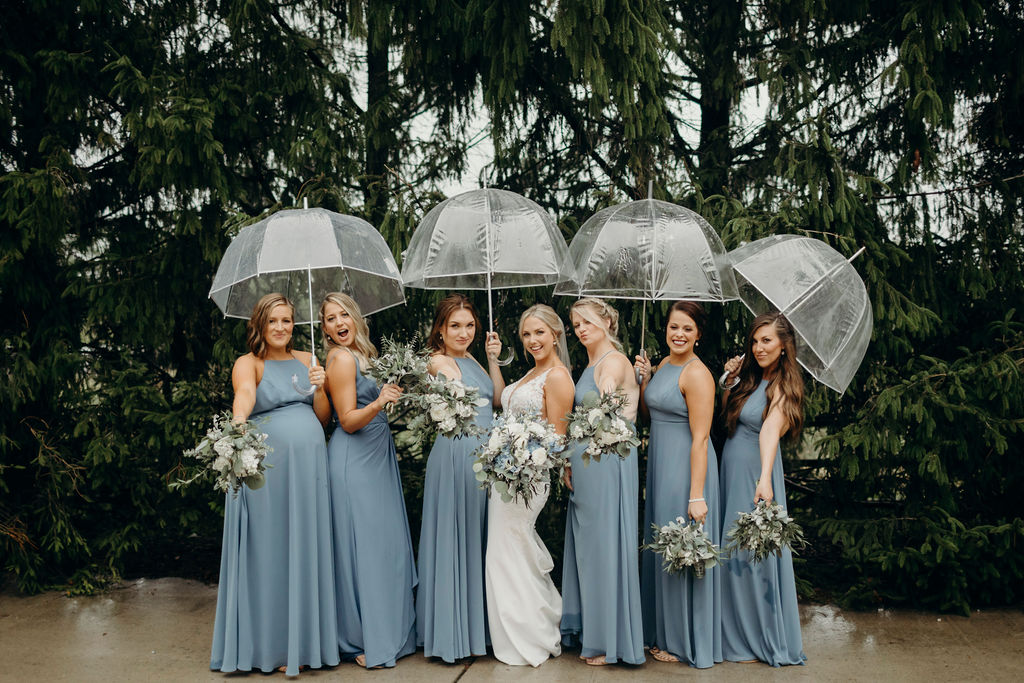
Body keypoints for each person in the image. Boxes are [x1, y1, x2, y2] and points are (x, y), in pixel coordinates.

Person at [210, 292, 340, 676]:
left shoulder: (308, 360)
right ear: (260, 326)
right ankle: (270, 645)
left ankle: (304, 643)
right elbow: (245, 396)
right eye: (273, 322)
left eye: (287, 321)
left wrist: (320, 387)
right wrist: (236, 428)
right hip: (271, 472)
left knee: (305, 549)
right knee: (271, 552)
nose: (281, 328)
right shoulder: (249, 363)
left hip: (309, 470)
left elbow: (323, 418)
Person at [320, 292, 417, 669]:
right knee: (365, 549)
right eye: (330, 318)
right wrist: (379, 403)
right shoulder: (341, 358)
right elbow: (345, 419)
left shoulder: (366, 355)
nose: (338, 322)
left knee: (384, 545)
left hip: (376, 456)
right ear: (324, 328)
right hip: (353, 459)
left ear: (355, 317)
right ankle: (363, 639)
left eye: (343, 314)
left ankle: (387, 631)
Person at [416, 294, 504, 662]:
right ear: (440, 329)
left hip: (482, 455)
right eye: (455, 326)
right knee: (460, 536)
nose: (463, 332)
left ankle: (478, 629)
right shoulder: (439, 359)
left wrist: (493, 361)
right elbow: (445, 377)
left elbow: (497, 399)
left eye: (469, 325)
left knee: (479, 538)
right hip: (457, 454)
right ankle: (454, 634)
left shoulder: (472, 359)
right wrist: (449, 375)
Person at [485, 303, 574, 666]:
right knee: (506, 553)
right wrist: (494, 360)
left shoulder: (557, 377)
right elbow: (501, 402)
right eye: (527, 334)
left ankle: (532, 636)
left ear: (555, 334)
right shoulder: (531, 373)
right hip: (505, 475)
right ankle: (517, 632)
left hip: (528, 479)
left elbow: (557, 438)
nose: (533, 339)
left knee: (509, 551)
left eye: (540, 332)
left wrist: (521, 457)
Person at [634, 301, 721, 668]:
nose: (679, 334)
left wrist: (697, 494)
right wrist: (643, 382)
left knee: (682, 548)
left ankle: (684, 638)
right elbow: (646, 414)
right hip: (660, 466)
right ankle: (659, 633)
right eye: (673, 327)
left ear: (698, 335)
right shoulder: (664, 366)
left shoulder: (698, 374)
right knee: (661, 545)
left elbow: (700, 439)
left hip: (688, 470)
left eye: (687, 328)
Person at [560, 297, 645, 666]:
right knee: (590, 548)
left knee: (605, 548)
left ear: (608, 322)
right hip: (588, 463)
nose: (580, 330)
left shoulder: (612, 362)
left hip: (607, 462)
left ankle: (610, 641)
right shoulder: (592, 361)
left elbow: (610, 404)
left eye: (588, 323)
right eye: (576, 324)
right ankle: (594, 632)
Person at [718, 312, 806, 666]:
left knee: (751, 555)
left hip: (756, 473)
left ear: (785, 346)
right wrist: (729, 380)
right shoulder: (752, 380)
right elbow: (727, 416)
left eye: (767, 340)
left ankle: (757, 638)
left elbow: (770, 430)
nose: (758, 347)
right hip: (732, 469)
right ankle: (733, 632)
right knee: (731, 552)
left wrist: (765, 478)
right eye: (755, 341)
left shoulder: (783, 387)